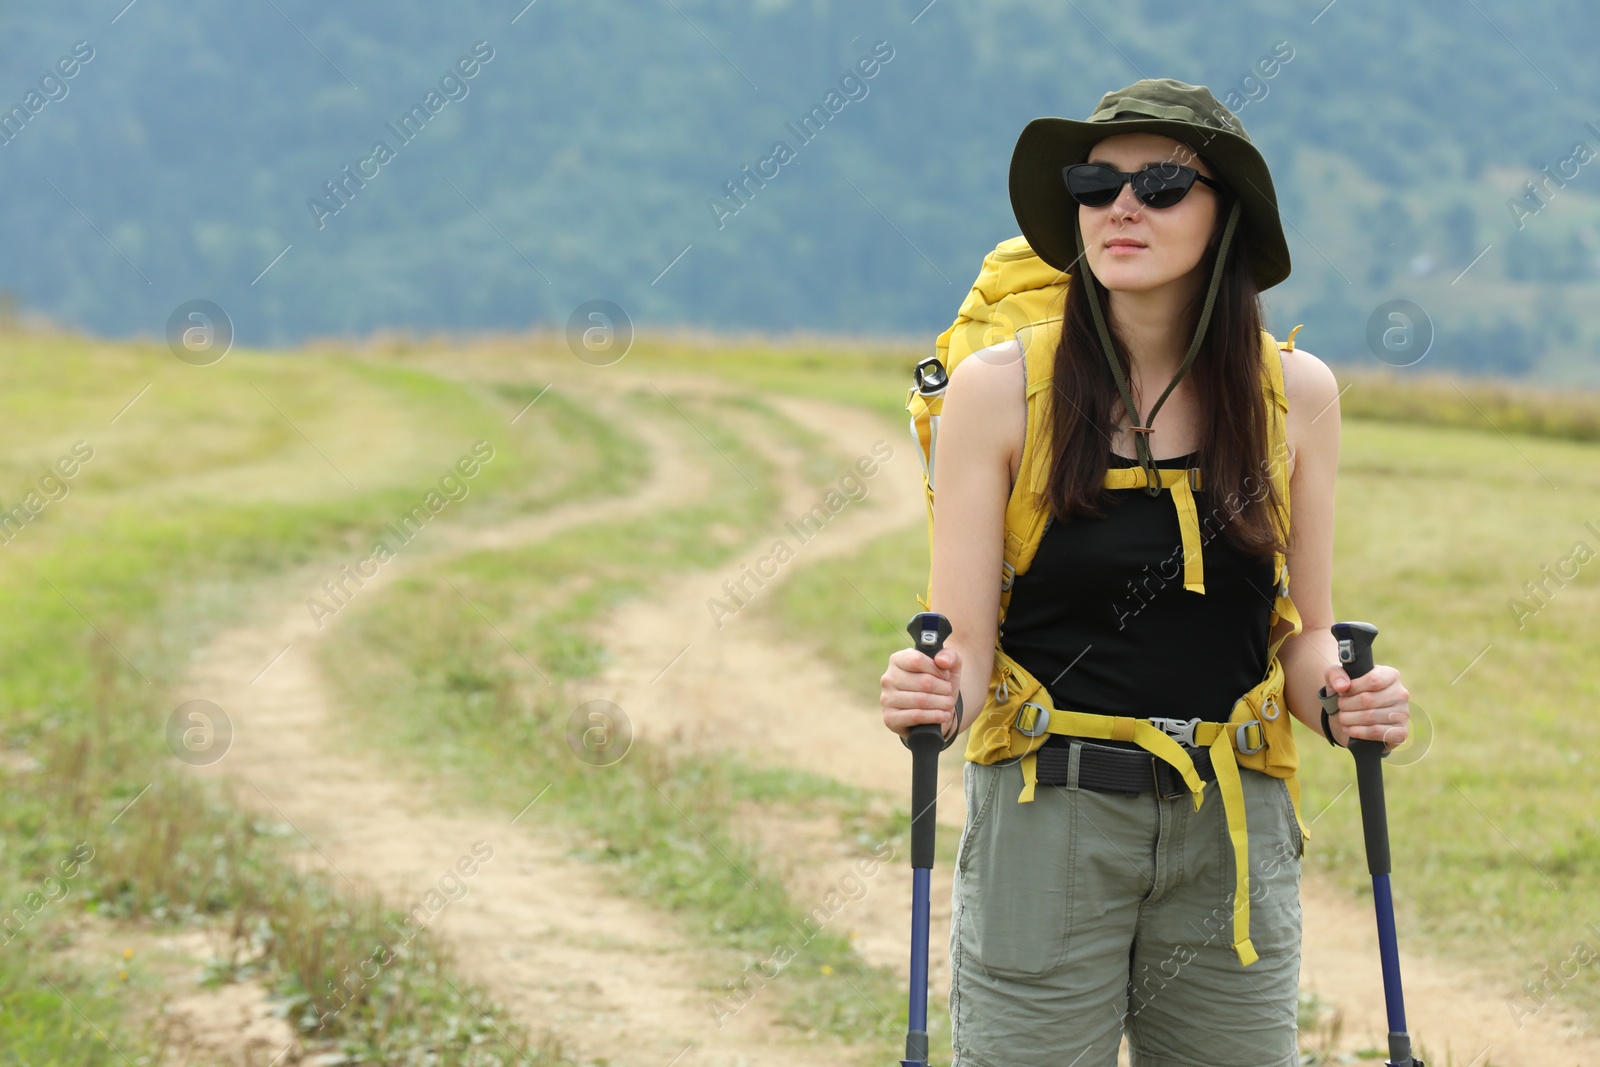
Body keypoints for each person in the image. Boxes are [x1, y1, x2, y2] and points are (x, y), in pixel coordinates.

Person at [879, 79, 1413, 1066]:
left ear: (1225, 216)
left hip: (1232, 827)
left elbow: (1302, 637)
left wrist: (1345, 699)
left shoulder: (1296, 395)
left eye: (1162, 183)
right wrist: (927, 691)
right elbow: (958, 648)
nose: (1121, 206)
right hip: (1046, 820)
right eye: (1096, 182)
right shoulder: (997, 394)